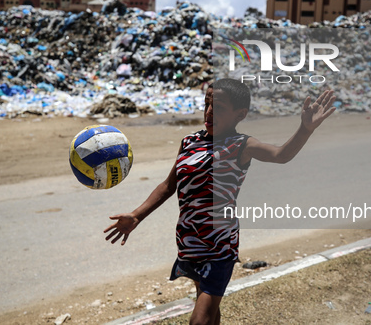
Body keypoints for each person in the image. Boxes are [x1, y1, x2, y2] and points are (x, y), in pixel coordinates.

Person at [104, 79, 336, 325]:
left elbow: (281, 155)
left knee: (200, 318)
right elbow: (167, 186)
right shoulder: (189, 142)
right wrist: (137, 215)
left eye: (219, 107)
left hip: (219, 245)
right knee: (209, 309)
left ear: (240, 114)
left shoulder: (241, 146)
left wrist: (305, 129)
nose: (209, 112)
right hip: (189, 240)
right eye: (206, 104)